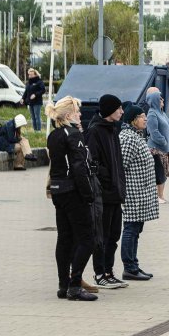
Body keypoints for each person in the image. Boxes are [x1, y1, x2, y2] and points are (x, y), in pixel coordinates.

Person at [46, 96, 98, 301]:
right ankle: (75, 285)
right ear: (68, 115)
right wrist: (88, 194)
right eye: (77, 111)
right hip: (73, 190)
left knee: (64, 238)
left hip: (58, 190)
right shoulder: (73, 134)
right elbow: (79, 167)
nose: (80, 115)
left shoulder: (54, 135)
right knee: (87, 238)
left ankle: (63, 284)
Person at [85, 94, 128, 290]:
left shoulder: (113, 130)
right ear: (110, 110)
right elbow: (93, 162)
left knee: (113, 235)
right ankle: (99, 272)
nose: (122, 112)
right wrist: (107, 181)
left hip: (115, 193)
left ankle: (109, 271)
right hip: (104, 194)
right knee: (101, 236)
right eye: (118, 108)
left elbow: (117, 162)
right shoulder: (95, 131)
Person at [118, 105, 159, 281]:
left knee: (136, 229)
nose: (145, 119)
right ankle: (129, 267)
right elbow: (122, 165)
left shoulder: (136, 136)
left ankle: (134, 264)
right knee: (131, 229)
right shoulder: (128, 138)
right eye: (142, 116)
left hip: (140, 193)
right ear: (133, 119)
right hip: (133, 193)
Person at [145, 89, 169, 204]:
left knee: (163, 173)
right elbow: (154, 132)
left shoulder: (161, 113)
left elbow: (168, 127)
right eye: (160, 98)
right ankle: (157, 196)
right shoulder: (152, 113)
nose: (162, 100)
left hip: (165, 149)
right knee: (159, 173)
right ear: (155, 100)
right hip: (156, 149)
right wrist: (163, 141)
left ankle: (161, 196)